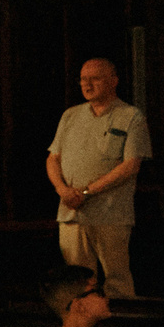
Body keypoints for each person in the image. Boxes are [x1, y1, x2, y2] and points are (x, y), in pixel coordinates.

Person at [46, 57, 149, 298]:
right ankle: (83, 320)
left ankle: (121, 320)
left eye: (95, 78)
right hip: (71, 212)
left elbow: (130, 166)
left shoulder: (131, 116)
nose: (87, 84)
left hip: (110, 214)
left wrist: (86, 192)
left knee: (117, 280)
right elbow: (52, 159)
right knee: (77, 281)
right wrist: (62, 190)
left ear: (113, 81)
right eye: (83, 79)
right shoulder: (70, 115)